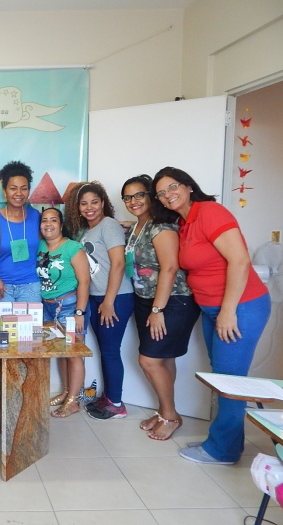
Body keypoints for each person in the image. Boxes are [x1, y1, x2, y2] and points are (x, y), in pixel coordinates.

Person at [152, 167, 270, 463]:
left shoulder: (210, 212)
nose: (168, 195)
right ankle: (226, 443)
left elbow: (240, 260)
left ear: (189, 186)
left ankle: (222, 451)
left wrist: (228, 311)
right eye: (161, 193)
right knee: (222, 378)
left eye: (173, 187)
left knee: (230, 381)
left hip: (240, 307)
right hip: (211, 309)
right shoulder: (184, 223)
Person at [121, 175, 200, 440]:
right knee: (164, 359)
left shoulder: (162, 226)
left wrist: (157, 310)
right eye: (128, 197)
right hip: (146, 300)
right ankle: (165, 409)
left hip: (173, 301)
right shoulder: (138, 226)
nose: (133, 201)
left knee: (149, 360)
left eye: (139, 195)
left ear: (151, 196)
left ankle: (171, 416)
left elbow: (169, 268)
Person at [64, 181, 134, 420]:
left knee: (110, 351)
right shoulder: (87, 230)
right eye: (84, 204)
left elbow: (118, 263)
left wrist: (109, 301)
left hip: (115, 297)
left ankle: (116, 404)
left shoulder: (108, 225)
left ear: (103, 203)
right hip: (95, 298)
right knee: (105, 350)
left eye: (94, 202)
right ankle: (109, 397)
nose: (89, 207)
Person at [36, 207, 90, 418]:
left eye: (53, 220)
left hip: (69, 306)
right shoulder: (41, 246)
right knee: (60, 351)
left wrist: (79, 312)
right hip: (48, 307)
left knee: (73, 354)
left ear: (61, 224)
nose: (48, 224)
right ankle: (66, 392)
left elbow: (84, 281)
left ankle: (73, 401)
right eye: (44, 220)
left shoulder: (73, 248)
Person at [0, 161, 42, 302]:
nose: (19, 193)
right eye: (13, 188)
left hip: (31, 286)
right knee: (2, 319)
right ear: (4, 191)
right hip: (1, 287)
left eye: (24, 188)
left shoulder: (36, 216)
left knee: (31, 318)